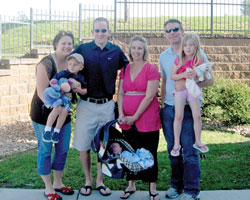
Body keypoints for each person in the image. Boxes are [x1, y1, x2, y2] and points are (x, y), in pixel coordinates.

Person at [72, 17, 129, 196]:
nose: (100, 34)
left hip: (107, 105)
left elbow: (128, 70)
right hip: (86, 104)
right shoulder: (83, 50)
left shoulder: (116, 51)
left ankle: (99, 181)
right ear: (92, 32)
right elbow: (70, 66)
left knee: (104, 145)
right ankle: (88, 181)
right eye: (97, 30)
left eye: (103, 30)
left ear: (109, 32)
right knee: (84, 145)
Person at [159, 19, 214, 200]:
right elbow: (166, 80)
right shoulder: (164, 56)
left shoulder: (199, 55)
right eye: (168, 30)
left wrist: (192, 81)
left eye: (175, 29)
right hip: (169, 107)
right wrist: (162, 103)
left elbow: (209, 80)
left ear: (182, 31)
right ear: (165, 34)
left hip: (190, 107)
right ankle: (176, 186)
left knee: (190, 151)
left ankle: (191, 190)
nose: (172, 32)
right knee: (173, 150)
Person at [30, 31, 75, 200]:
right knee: (46, 150)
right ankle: (48, 186)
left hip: (64, 114)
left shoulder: (72, 63)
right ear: (56, 44)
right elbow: (42, 93)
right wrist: (58, 104)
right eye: (63, 43)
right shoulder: (45, 63)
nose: (67, 46)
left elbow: (74, 87)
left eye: (70, 43)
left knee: (62, 150)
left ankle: (58, 182)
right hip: (44, 115)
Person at [118, 35, 161, 200]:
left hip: (147, 116)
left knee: (149, 151)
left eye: (140, 48)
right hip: (126, 118)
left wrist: (135, 116)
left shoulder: (151, 69)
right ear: (130, 50)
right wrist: (122, 113)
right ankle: (131, 185)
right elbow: (121, 92)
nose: (136, 51)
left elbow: (150, 96)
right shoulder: (125, 69)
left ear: (145, 51)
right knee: (129, 151)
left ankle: (152, 188)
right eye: (133, 48)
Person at [170, 34, 209, 157]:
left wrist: (196, 76)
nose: (188, 48)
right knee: (178, 115)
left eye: (191, 45)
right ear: (182, 47)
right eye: (186, 45)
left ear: (196, 46)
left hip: (193, 89)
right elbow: (173, 76)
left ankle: (198, 141)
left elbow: (203, 75)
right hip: (180, 91)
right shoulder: (179, 59)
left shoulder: (199, 59)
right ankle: (176, 144)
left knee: (197, 115)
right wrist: (184, 75)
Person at [42, 53, 87, 144]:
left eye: (75, 65)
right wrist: (60, 88)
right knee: (57, 108)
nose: (72, 66)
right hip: (58, 97)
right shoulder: (63, 73)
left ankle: (56, 132)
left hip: (67, 101)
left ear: (81, 67)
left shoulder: (80, 77)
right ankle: (47, 129)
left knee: (64, 112)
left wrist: (79, 90)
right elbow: (53, 81)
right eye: (70, 64)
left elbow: (85, 90)